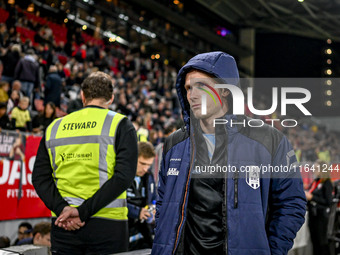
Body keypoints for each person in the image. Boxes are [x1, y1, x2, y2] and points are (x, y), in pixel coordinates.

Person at [152, 52, 306, 255]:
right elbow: (163, 202)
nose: (192, 95)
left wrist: (273, 251)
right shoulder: (174, 143)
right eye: (188, 88)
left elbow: (291, 202)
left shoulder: (268, 141)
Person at [32, 71, 138, 254]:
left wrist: (63, 209)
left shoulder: (54, 127)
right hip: (107, 226)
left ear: (82, 96)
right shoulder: (121, 124)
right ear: (111, 98)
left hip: (63, 225)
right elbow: (123, 177)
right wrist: (82, 212)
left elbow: (39, 178)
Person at [127, 142, 156, 250]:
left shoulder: (148, 176)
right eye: (143, 163)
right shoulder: (121, 177)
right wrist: (137, 212)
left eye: (149, 165)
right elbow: (114, 202)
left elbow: (154, 198)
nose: (145, 168)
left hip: (144, 234)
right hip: (124, 233)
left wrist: (153, 208)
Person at [305, 160, 333, 255]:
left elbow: (328, 201)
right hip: (313, 216)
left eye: (316, 168)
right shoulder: (315, 182)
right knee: (314, 242)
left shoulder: (327, 183)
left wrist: (312, 197)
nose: (314, 170)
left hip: (321, 216)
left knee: (322, 242)